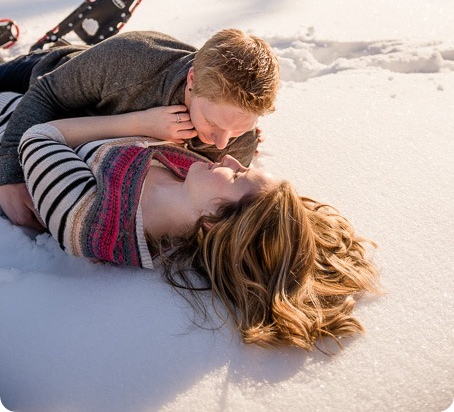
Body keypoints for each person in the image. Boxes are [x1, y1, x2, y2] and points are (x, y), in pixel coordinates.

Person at [0, 92, 381, 351]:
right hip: (67, 103)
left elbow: (38, 135)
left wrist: (142, 123)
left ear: (214, 223)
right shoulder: (193, 181)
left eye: (237, 176)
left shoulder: (91, 220)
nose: (232, 161)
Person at [0, 28, 281, 229]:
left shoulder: (239, 140)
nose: (222, 145)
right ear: (192, 81)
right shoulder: (132, 60)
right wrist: (9, 177)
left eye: (237, 130)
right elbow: (46, 93)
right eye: (212, 123)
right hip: (45, 76)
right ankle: (45, 48)